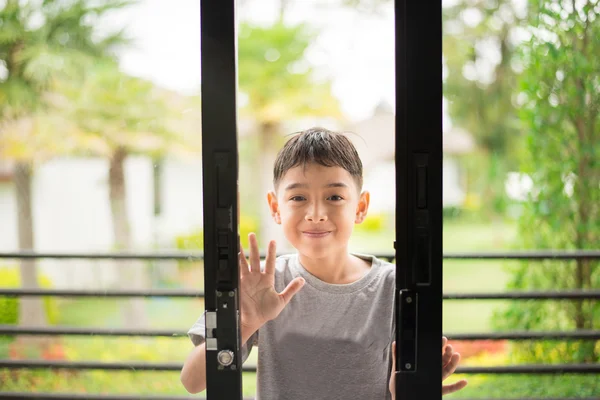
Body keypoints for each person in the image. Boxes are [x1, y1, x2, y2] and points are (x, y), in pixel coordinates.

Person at [180, 127, 468, 399]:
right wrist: (244, 323)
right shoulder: (261, 283)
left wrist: (406, 393)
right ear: (275, 207)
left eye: (334, 196)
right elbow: (192, 381)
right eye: (298, 197)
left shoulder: (395, 286)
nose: (316, 213)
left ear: (361, 207)